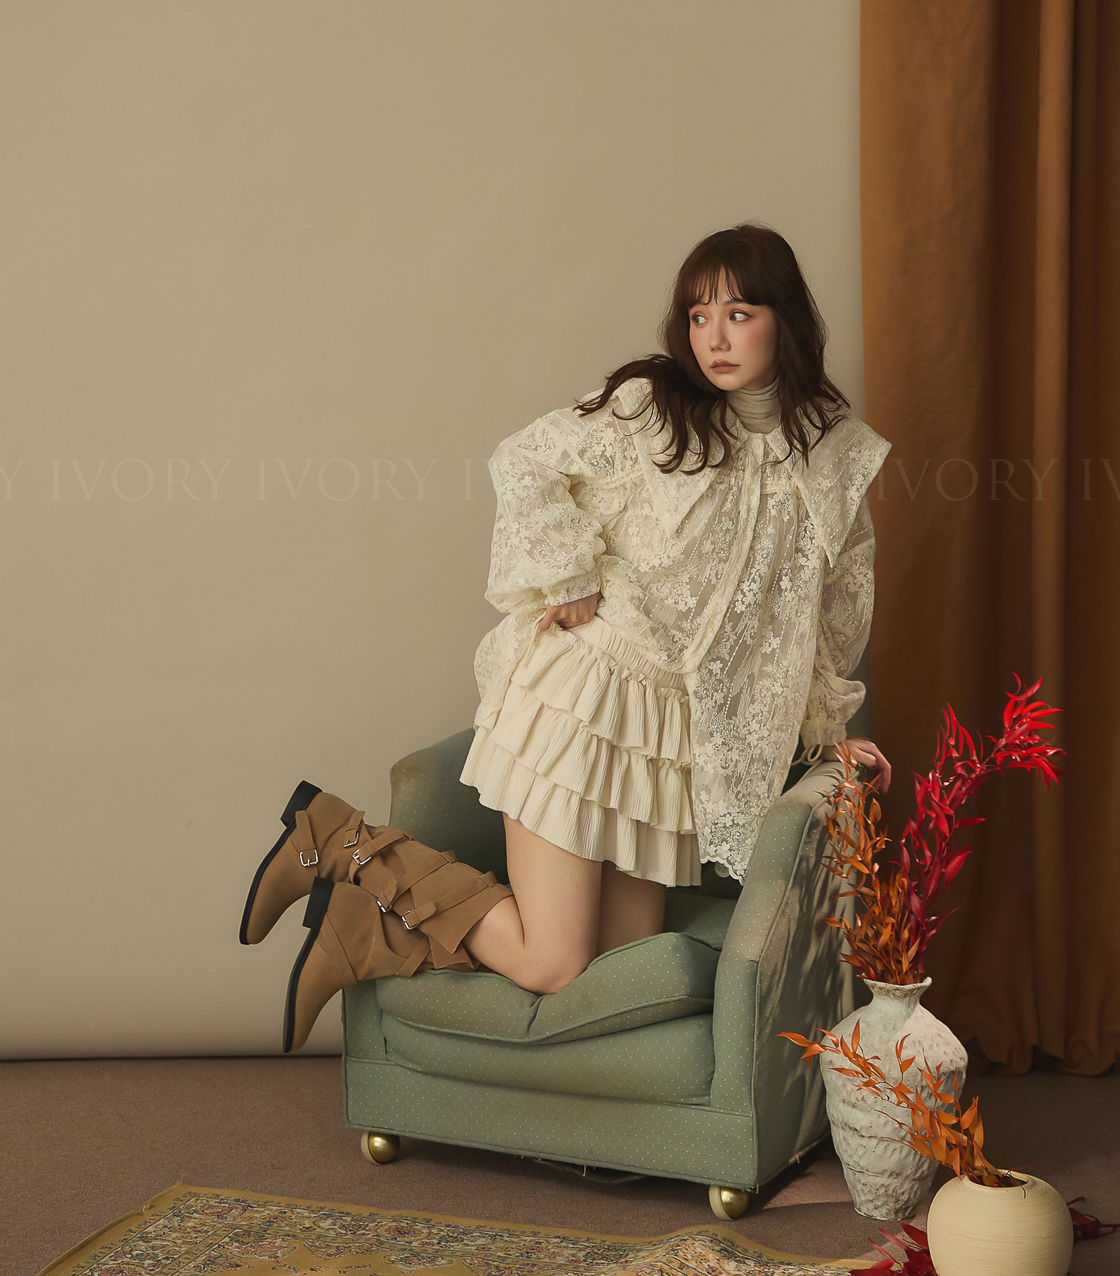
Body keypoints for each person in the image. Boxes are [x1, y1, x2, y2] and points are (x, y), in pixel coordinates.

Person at [241, 222, 892, 1052]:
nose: (715, 338)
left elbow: (828, 610)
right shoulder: (655, 408)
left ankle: (365, 932)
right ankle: (339, 840)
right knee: (554, 964)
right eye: (699, 317)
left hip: (663, 736)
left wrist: (830, 732)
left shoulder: (831, 454)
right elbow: (525, 460)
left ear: (785, 319)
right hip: (587, 697)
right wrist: (570, 576)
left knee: (609, 971)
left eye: (739, 313)